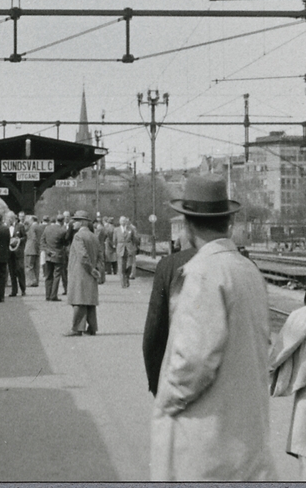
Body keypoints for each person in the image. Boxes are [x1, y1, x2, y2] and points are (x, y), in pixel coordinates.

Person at [150, 176, 276, 481]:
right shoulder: (248, 270)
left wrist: (166, 401)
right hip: (247, 434)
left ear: (188, 226)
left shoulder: (202, 273)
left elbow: (194, 360)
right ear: (228, 223)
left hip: (208, 441)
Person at [142, 243, 197, 395]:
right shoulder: (246, 266)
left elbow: (154, 332)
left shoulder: (169, 265)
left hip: (183, 382)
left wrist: (156, 383)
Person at [64, 211, 102, 336]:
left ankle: (77, 328)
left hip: (80, 272)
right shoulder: (94, 236)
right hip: (91, 273)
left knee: (79, 300)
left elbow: (82, 255)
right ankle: (92, 328)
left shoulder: (78, 236)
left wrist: (90, 269)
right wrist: (97, 270)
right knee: (89, 301)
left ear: (81, 222)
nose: (73, 223)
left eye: (75, 221)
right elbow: (100, 255)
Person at [41, 215, 68, 301]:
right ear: (63, 221)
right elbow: (65, 243)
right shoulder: (63, 231)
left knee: (48, 276)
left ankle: (47, 295)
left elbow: (42, 241)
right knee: (56, 276)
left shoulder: (47, 228)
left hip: (48, 255)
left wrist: (47, 250)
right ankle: (53, 295)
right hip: (58, 255)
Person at [114, 216, 138, 288]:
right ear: (119, 222)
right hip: (120, 249)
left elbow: (134, 239)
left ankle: (127, 278)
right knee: (121, 267)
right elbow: (114, 240)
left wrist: (133, 247)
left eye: (124, 221)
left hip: (129, 249)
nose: (123, 222)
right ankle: (123, 283)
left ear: (126, 222)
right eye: (122, 221)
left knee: (129, 265)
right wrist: (117, 247)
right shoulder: (116, 230)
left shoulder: (130, 229)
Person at [7, 216, 27, 297]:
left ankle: (23, 289)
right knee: (12, 272)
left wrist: (18, 240)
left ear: (14, 219)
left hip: (18, 252)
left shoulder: (20, 226)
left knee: (20, 271)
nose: (9, 220)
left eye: (10, 218)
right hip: (9, 252)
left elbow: (25, 237)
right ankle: (14, 291)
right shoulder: (7, 227)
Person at [24, 215, 42, 287]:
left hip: (30, 248)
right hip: (37, 249)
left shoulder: (32, 227)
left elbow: (32, 238)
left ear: (31, 220)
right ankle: (36, 280)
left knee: (29, 266)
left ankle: (31, 281)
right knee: (36, 266)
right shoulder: (39, 226)